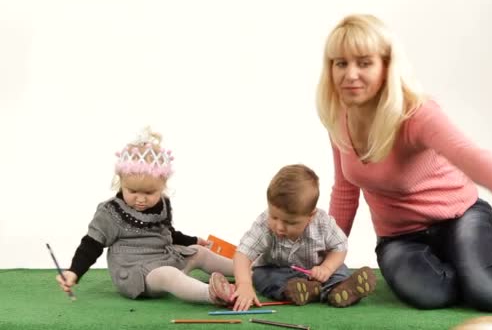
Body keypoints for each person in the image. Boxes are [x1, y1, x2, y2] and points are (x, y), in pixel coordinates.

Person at [315, 14, 492, 311]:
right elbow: (345, 189)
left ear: (387, 66)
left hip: (460, 218)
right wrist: (324, 258)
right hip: (399, 238)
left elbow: (470, 156)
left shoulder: (416, 113)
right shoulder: (338, 116)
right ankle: (486, 269)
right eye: (341, 63)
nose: (350, 74)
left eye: (364, 63)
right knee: (432, 296)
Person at [54, 128, 234, 305]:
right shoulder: (110, 212)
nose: (140, 199)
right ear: (121, 182)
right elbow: (91, 244)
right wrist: (74, 272)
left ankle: (246, 272)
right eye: (132, 191)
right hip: (136, 273)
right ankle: (211, 294)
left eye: (149, 192)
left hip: (164, 258)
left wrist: (193, 240)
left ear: (162, 185)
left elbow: (167, 233)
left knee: (199, 252)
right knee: (169, 275)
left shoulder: (163, 203)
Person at [230, 164, 376, 311]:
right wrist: (244, 285)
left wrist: (326, 267)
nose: (279, 227)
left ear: (311, 216)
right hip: (278, 270)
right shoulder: (264, 225)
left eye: (290, 222)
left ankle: (340, 289)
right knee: (261, 276)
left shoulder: (323, 223)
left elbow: (340, 247)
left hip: (317, 270)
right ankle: (308, 290)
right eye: (274, 216)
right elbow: (243, 254)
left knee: (339, 270)